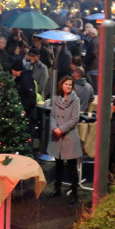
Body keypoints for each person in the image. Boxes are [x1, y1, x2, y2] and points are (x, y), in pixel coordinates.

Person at [47, 76, 81, 204]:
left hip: (68, 137)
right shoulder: (56, 99)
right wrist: (54, 128)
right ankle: (57, 188)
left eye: (70, 85)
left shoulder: (75, 100)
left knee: (72, 166)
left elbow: (74, 119)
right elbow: (52, 115)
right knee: (58, 164)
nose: (68, 86)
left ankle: (75, 192)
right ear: (61, 85)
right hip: (57, 136)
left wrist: (61, 129)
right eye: (66, 84)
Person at [12, 60, 38, 148]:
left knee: (28, 141)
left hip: (28, 115)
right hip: (25, 114)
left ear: (13, 70)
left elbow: (31, 98)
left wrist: (24, 109)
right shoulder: (21, 79)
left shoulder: (25, 80)